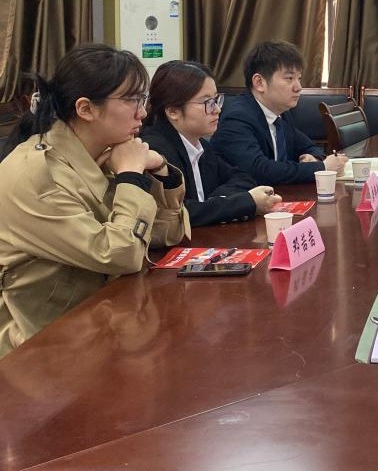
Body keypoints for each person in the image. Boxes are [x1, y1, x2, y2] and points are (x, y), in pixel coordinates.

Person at [0, 44, 190, 357]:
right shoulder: (35, 177)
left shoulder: (104, 151)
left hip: (104, 322)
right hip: (43, 349)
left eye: (143, 99)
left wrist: (161, 173)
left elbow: (164, 235)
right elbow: (120, 254)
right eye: (131, 100)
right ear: (86, 109)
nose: (143, 112)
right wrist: (131, 176)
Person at [142, 60, 284, 227]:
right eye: (207, 103)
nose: (217, 109)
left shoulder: (200, 145)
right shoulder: (155, 151)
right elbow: (179, 214)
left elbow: (242, 178)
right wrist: (243, 202)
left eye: (216, 100)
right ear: (173, 111)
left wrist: (213, 203)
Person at [211, 41, 347, 186]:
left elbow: (309, 146)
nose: (298, 87)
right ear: (259, 83)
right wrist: (321, 168)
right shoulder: (236, 118)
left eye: (299, 78)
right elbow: (259, 171)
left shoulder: (281, 113)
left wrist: (313, 158)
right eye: (289, 78)